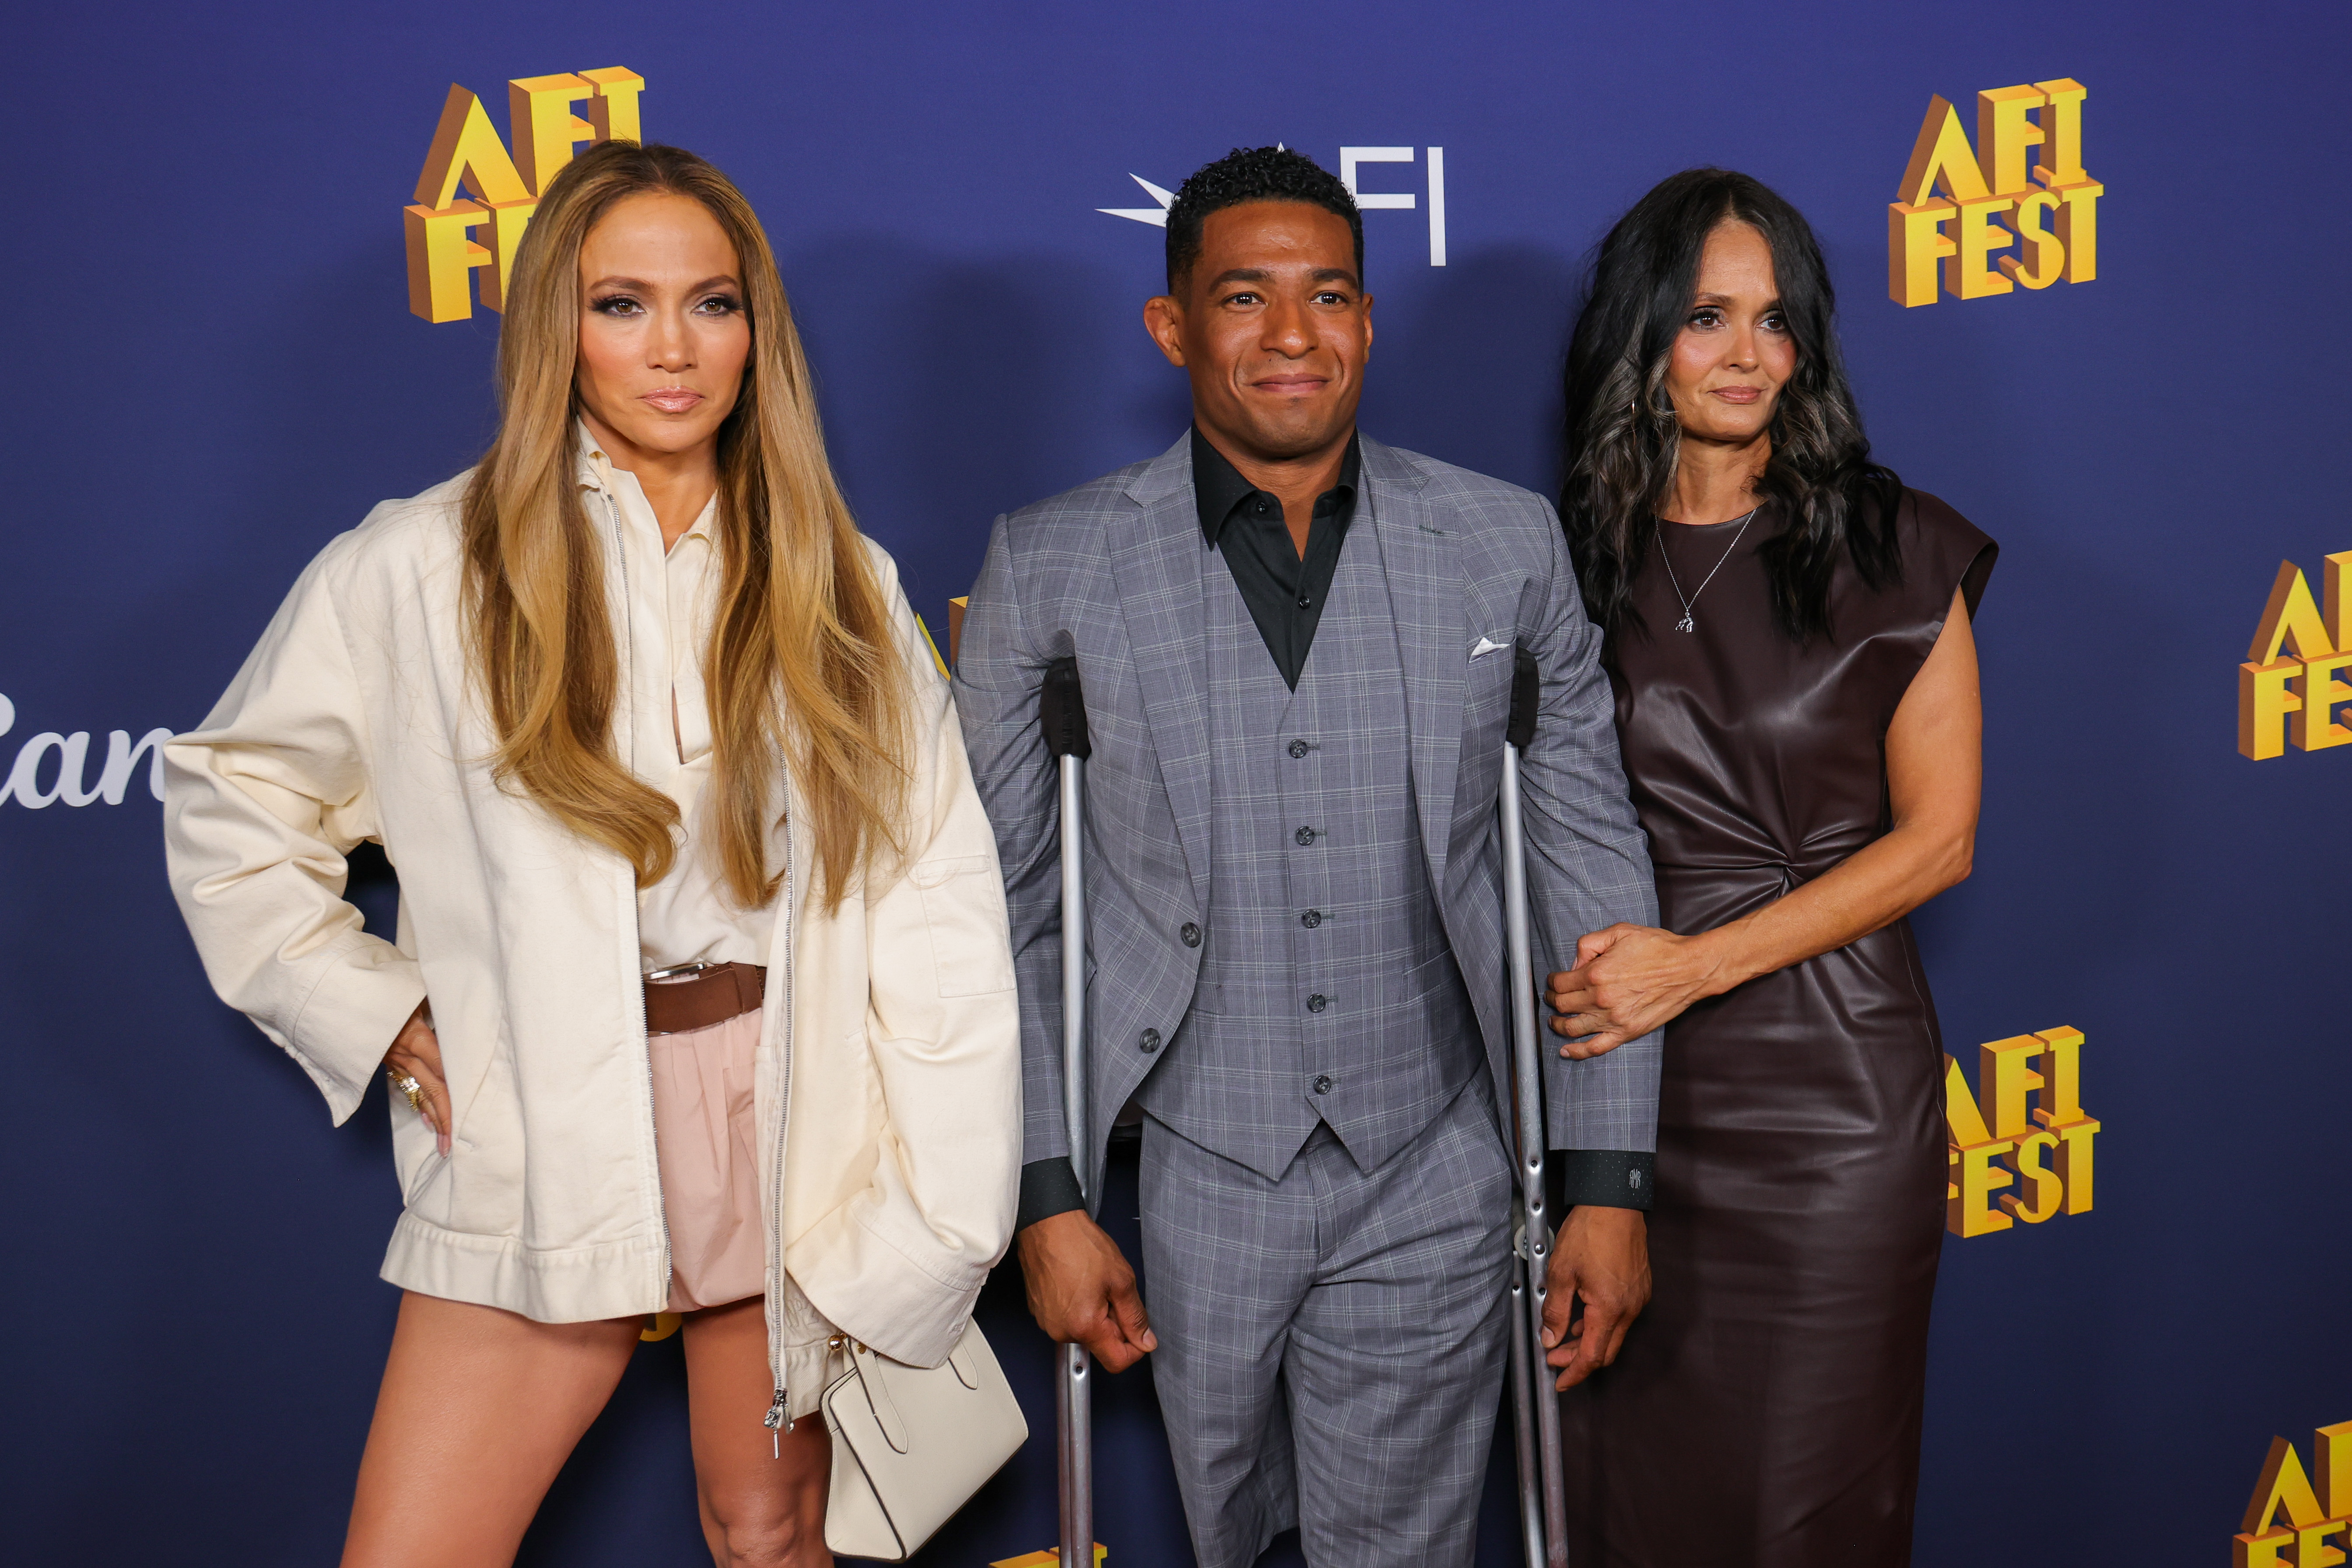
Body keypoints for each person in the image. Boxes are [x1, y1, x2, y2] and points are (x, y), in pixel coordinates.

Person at [163, 140, 1020, 1568]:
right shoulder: (420, 566)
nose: (674, 349)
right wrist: (372, 1010)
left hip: (794, 1105)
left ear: (759, 330)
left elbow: (936, 895)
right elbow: (232, 801)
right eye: (621, 304)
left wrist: (944, 1188)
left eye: (714, 303)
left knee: (770, 1536)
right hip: (549, 1107)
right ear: (552, 324)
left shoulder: (841, 579)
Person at [954, 146, 1661, 1568]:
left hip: (1438, 1155)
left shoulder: (1501, 544)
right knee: (1230, 1538)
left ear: (1370, 318)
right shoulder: (1055, 564)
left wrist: (1607, 1178)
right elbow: (1005, 914)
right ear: (1173, 329)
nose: (1294, 335)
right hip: (1197, 1166)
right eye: (1245, 298)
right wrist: (1045, 1198)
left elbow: (1588, 868)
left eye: (1329, 294)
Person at [1546, 168, 1996, 1564]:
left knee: (1803, 1515)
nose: (1749, 353)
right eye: (1706, 318)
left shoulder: (1891, 540)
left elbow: (1942, 839)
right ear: (1641, 337)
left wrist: (1700, 963)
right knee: (1628, 1509)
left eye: (1777, 320)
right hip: (1626, 1105)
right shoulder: (1565, 561)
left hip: (1831, 1113)